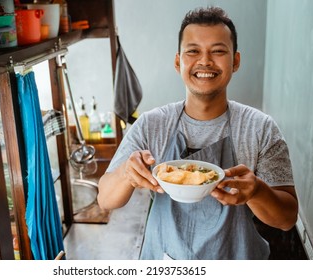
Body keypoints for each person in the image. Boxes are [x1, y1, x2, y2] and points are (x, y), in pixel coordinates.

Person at [97, 6, 298, 260]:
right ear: (178, 61)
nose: (205, 61)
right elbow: (105, 199)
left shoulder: (260, 128)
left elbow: (287, 219)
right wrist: (128, 173)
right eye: (193, 51)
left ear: (235, 61)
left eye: (218, 51)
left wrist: (257, 191)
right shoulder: (152, 125)